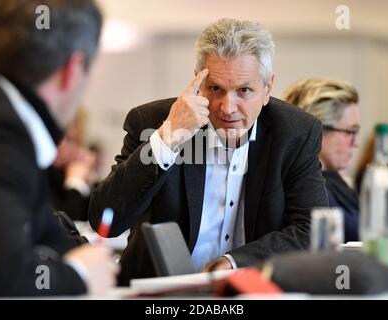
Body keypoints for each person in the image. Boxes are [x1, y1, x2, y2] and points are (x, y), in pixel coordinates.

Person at [89, 18, 328, 285]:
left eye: (244, 91)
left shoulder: (295, 133)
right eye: (216, 89)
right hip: (156, 290)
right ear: (198, 83)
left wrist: (236, 262)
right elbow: (105, 222)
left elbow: (311, 230)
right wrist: (168, 138)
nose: (228, 108)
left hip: (248, 288)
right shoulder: (151, 122)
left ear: (267, 89)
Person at [0, 0, 119, 296]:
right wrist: (79, 275)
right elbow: (0, 277)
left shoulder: (0, 115)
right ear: (74, 68)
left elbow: (46, 231)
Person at [282, 78, 360, 242]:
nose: (356, 143)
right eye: (350, 132)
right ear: (318, 130)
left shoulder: (335, 181)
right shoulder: (307, 190)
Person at [49, 110, 98, 221]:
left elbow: (96, 220)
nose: (61, 145)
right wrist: (75, 182)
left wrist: (89, 181)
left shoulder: (64, 171)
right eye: (59, 135)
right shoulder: (40, 173)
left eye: (71, 140)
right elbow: (65, 223)